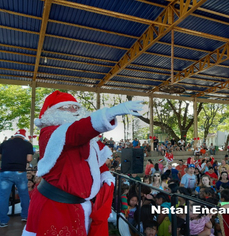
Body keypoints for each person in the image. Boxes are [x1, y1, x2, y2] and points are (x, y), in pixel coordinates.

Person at [24, 91, 143, 236]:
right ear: (52, 113)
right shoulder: (50, 133)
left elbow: (98, 158)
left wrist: (106, 176)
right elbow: (77, 131)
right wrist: (110, 113)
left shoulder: (87, 138)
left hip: (80, 206)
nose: (73, 111)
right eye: (66, 107)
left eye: (76, 107)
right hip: (57, 207)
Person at [0, 129, 33, 227]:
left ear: (14, 135)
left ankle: (3, 221)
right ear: (23, 137)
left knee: (3, 197)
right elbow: (29, 159)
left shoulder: (4, 143)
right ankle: (25, 216)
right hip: (20, 172)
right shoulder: (27, 144)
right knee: (24, 195)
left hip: (5, 172)